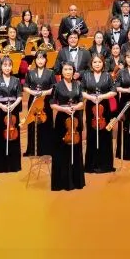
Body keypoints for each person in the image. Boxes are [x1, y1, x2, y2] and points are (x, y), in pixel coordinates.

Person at [50, 62, 86, 191]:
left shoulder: (78, 85)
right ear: (61, 71)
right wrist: (64, 109)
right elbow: (52, 104)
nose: (68, 71)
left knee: (76, 148)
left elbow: (81, 101)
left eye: (70, 69)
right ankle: (62, 181)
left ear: (73, 71)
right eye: (65, 69)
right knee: (62, 149)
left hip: (75, 119)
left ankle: (76, 180)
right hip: (62, 120)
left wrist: (75, 107)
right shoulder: (57, 86)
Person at [0, 57, 22, 173]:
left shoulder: (16, 80)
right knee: (0, 135)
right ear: (1, 67)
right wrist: (1, 106)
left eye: (9, 65)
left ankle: (14, 165)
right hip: (0, 111)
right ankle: (0, 165)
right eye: (5, 65)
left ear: (12, 67)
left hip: (13, 111)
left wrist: (13, 105)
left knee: (14, 136)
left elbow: (19, 95)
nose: (7, 68)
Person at [23, 50, 55, 157]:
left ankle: (46, 149)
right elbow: (25, 86)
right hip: (33, 100)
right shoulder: (30, 72)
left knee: (46, 123)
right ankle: (32, 150)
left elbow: (53, 88)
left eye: (42, 58)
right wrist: (33, 92)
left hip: (45, 101)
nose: (40, 60)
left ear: (46, 60)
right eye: (38, 58)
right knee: (32, 124)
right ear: (35, 60)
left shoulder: (50, 72)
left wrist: (43, 93)